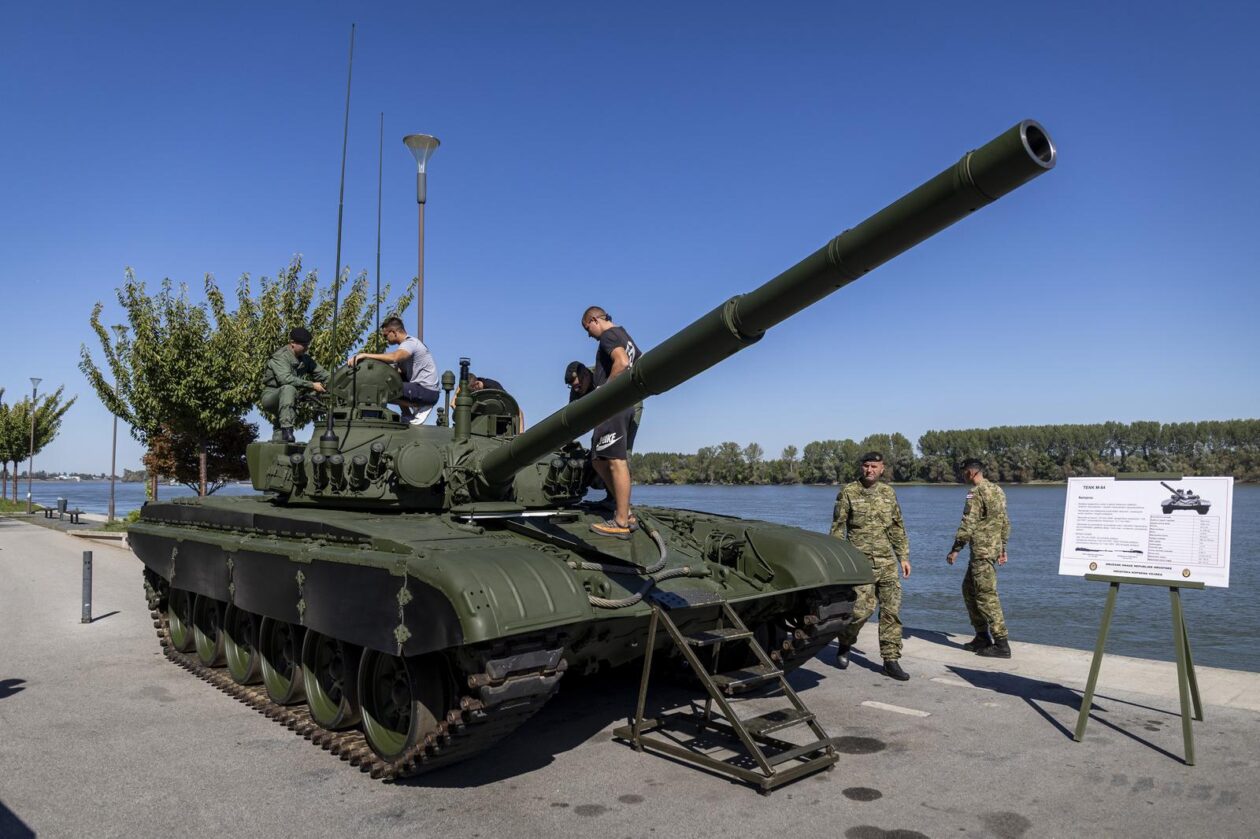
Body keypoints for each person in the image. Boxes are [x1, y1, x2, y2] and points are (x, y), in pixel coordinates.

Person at [830, 451, 912, 681]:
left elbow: (897, 526)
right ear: (861, 467)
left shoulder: (888, 493)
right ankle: (845, 641)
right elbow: (837, 528)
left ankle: (890, 660)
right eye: (866, 466)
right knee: (860, 611)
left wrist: (903, 557)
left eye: (874, 466)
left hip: (887, 563)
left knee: (891, 612)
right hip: (860, 563)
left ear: (882, 468)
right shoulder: (848, 492)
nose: (870, 470)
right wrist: (837, 561)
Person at [581, 307, 642, 538]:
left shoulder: (608, 335)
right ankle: (626, 511)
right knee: (598, 460)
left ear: (594, 320)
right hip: (622, 403)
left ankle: (621, 521)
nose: (589, 335)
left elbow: (623, 362)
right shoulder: (625, 335)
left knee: (616, 460)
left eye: (587, 328)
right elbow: (637, 361)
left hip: (614, 404)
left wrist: (603, 391)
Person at [948, 458, 1012, 658]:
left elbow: (968, 523)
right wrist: (1003, 547)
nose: (963, 476)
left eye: (964, 473)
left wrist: (955, 549)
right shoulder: (997, 490)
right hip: (990, 550)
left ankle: (1001, 643)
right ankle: (982, 636)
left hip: (982, 553)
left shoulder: (975, 493)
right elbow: (1005, 521)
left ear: (970, 472)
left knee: (986, 596)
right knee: (968, 589)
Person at [349, 316, 439, 425]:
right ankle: (407, 414)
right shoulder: (405, 346)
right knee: (390, 377)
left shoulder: (410, 343)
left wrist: (364, 355)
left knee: (378, 390)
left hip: (426, 391)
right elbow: (393, 371)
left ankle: (418, 405)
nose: (385, 338)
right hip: (421, 389)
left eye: (385, 335)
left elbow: (394, 357)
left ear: (394, 332)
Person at [261, 327, 329, 443]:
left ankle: (280, 435)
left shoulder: (305, 359)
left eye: (308, 345)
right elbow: (285, 379)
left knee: (279, 438)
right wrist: (312, 385)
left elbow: (324, 375)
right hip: (271, 396)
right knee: (289, 388)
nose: (306, 348)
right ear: (292, 343)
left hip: (289, 400)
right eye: (304, 345)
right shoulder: (280, 357)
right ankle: (287, 430)